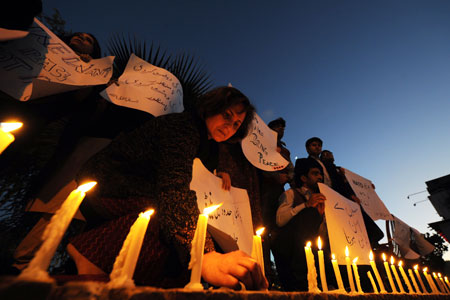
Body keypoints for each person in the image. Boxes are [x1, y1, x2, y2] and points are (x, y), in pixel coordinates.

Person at [66, 86, 268, 289]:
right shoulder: (183, 128)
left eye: (236, 124)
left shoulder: (204, 143)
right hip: (106, 186)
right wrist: (204, 254)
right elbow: (173, 188)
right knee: (168, 218)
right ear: (211, 106)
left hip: (136, 192)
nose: (229, 126)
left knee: (178, 230)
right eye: (226, 115)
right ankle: (93, 254)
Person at [271, 158, 327, 291]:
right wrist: (306, 205)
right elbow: (280, 220)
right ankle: (301, 284)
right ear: (303, 178)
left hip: (314, 255)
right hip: (290, 255)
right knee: (310, 214)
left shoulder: (324, 199)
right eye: (315, 173)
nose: (320, 177)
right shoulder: (291, 194)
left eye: (321, 174)